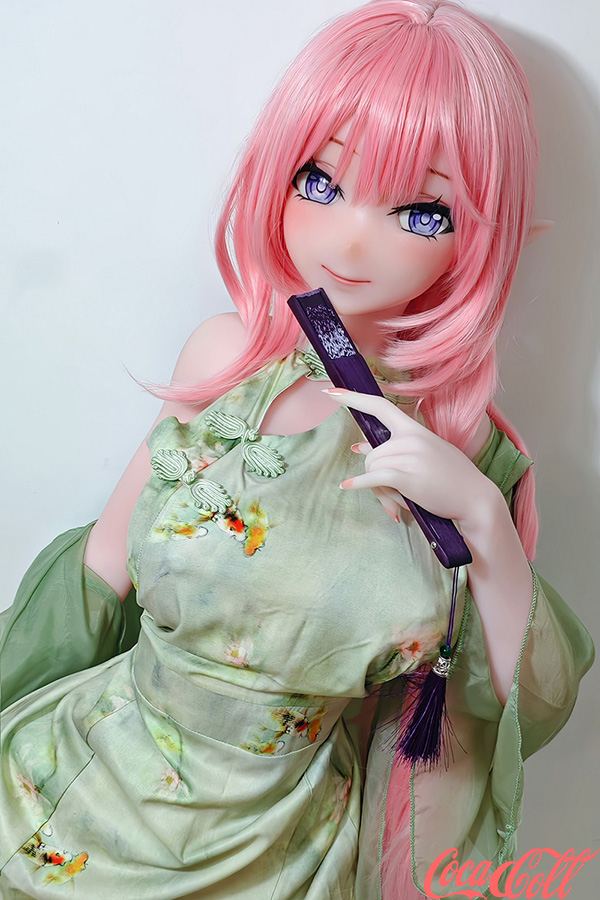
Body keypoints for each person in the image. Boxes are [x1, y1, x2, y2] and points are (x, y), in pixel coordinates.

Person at [0, 1, 594, 897]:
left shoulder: (465, 448)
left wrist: (482, 515)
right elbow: (103, 564)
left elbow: (512, 701)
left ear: (482, 232)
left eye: (421, 211)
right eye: (320, 181)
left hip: (287, 844)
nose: (351, 237)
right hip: (88, 785)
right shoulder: (224, 362)